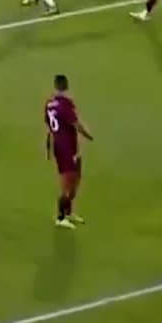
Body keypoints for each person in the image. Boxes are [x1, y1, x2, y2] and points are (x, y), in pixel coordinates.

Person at [45, 74, 93, 229]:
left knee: (76, 178)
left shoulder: (49, 104)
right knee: (68, 183)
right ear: (66, 86)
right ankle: (60, 217)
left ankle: (68, 212)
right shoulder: (65, 105)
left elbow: (50, 128)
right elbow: (76, 124)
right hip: (66, 148)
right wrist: (88, 136)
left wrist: (48, 148)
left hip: (64, 147)